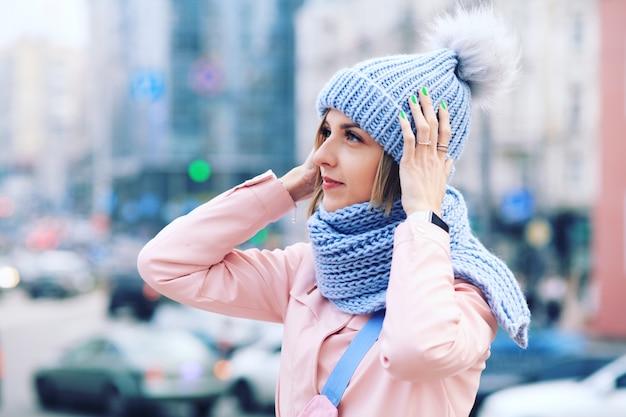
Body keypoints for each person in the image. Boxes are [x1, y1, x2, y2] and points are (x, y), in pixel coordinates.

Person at [138, 5, 531, 417]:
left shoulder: (465, 292)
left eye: (353, 137)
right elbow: (164, 264)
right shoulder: (309, 271)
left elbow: (415, 351)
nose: (322, 154)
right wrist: (287, 188)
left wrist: (423, 215)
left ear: (410, 161)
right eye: (325, 131)